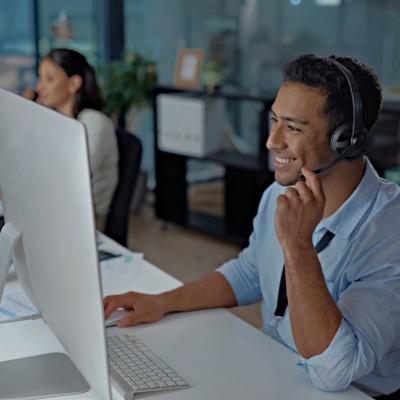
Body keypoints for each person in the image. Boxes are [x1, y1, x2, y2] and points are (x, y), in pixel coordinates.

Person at [103, 54, 400, 399]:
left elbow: (334, 371)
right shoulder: (280, 193)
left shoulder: (389, 232)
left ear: (346, 141)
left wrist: (298, 246)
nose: (272, 141)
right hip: (276, 367)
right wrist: (162, 302)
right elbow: (251, 271)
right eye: (274, 120)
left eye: (293, 127)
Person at [27, 48, 118, 220]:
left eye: (50, 79)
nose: (39, 87)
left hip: (87, 223)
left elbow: (66, 179)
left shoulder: (94, 122)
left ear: (74, 83)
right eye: (40, 78)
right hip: (54, 212)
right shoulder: (55, 122)